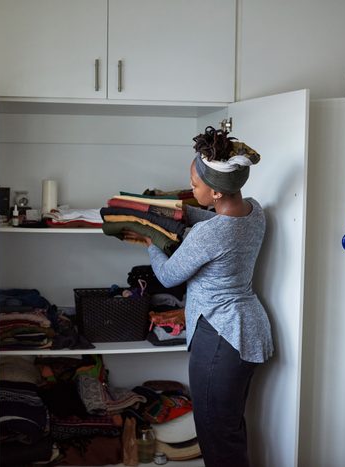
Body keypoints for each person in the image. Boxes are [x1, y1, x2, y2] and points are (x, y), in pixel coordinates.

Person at [123, 126, 273, 467]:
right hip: (246, 330)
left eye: (194, 185)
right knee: (228, 428)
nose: (192, 189)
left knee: (215, 434)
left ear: (217, 192)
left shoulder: (210, 234)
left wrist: (150, 241)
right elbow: (212, 220)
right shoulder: (254, 211)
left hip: (221, 335)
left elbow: (167, 275)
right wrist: (177, 211)